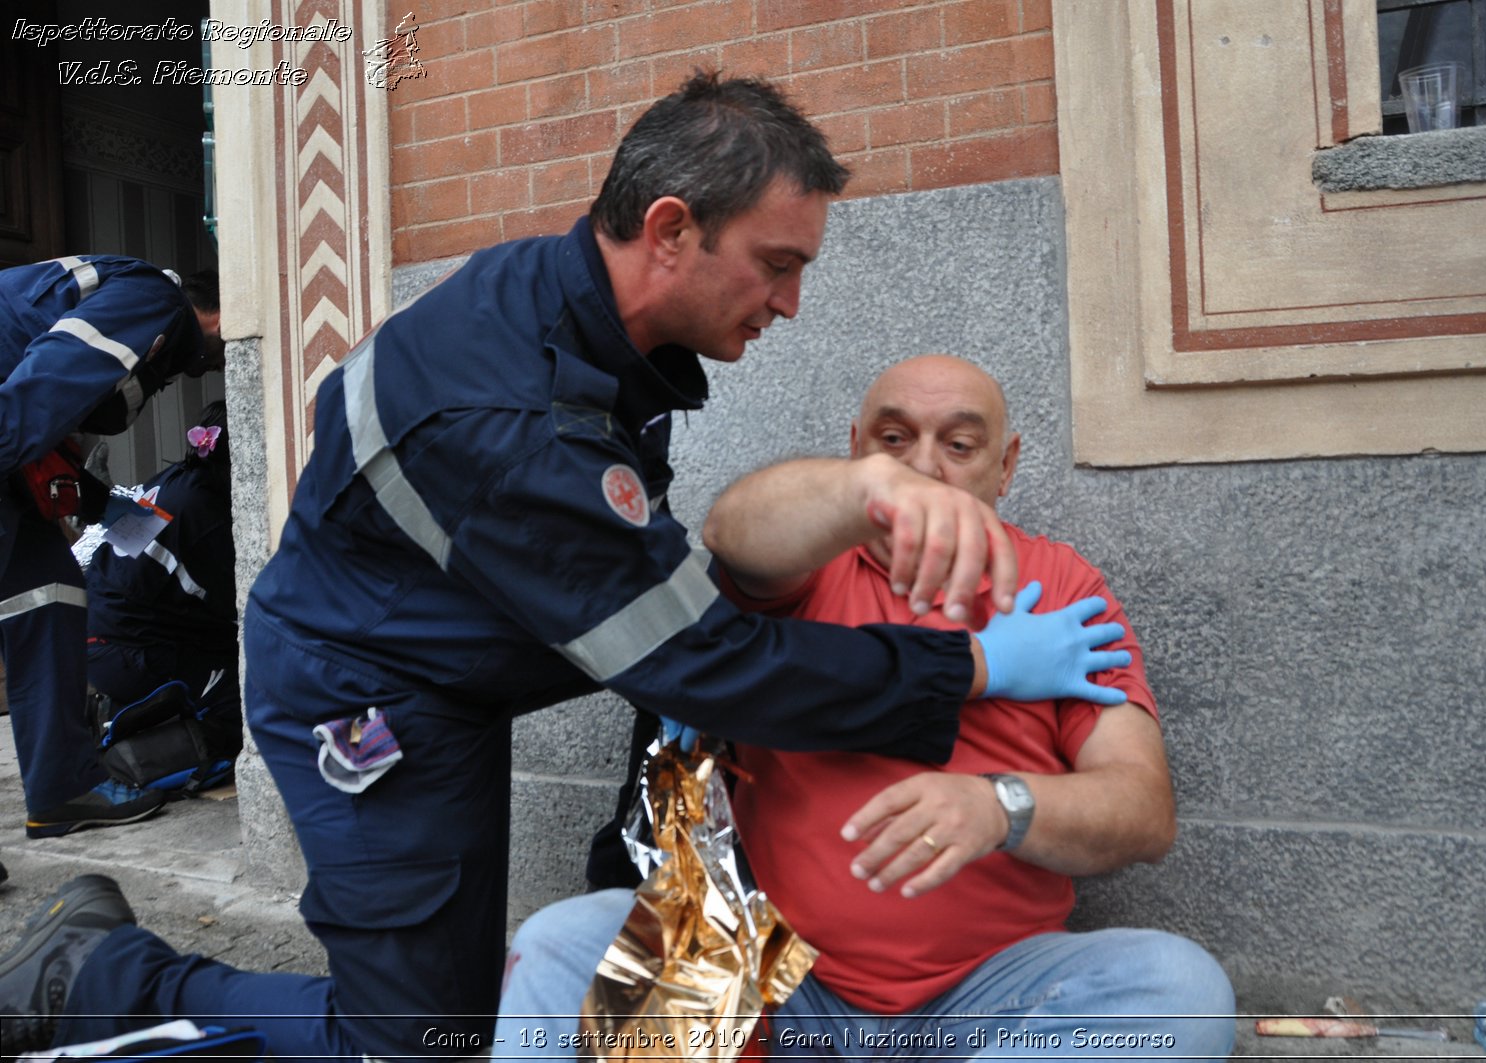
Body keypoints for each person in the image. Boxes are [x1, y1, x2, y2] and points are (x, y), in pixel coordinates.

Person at [0, 74, 1138, 1061]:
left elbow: (653, 590)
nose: (791, 302)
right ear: (673, 227)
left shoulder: (570, 308)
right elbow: (704, 656)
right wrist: (971, 664)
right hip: (370, 708)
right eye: (777, 264)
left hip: (442, 663)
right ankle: (98, 978)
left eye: (961, 444)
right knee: (418, 1039)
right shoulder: (510, 416)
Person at [495, 355, 1236, 1060]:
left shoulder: (1062, 587)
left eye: (959, 444)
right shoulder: (808, 565)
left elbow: (1142, 808)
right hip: (775, 984)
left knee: (1180, 990)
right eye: (892, 440)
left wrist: (999, 806)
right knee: (565, 943)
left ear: (1005, 466)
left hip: (987, 995)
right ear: (856, 451)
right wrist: (862, 493)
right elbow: (732, 529)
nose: (922, 464)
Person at [0, 258, 223, 839]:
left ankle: (63, 791)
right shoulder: (156, 301)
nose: (210, 366)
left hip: (10, 468)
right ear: (222, 313)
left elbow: (41, 419)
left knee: (50, 600)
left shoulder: (136, 299)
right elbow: (37, 396)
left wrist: (97, 502)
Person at [83, 400, 241, 786]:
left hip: (103, 634)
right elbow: (239, 609)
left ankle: (128, 709)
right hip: (124, 650)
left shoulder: (174, 481)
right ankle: (132, 749)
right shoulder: (203, 514)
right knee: (250, 696)